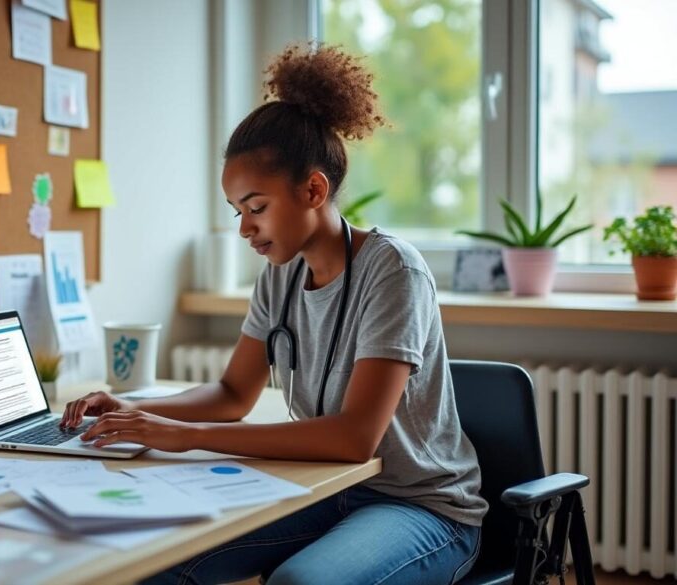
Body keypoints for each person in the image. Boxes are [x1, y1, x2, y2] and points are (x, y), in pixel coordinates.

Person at [60, 42, 487, 585]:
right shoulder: (280, 275)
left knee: (299, 584)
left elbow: (354, 439)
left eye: (256, 208)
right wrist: (139, 410)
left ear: (314, 189)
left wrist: (182, 435)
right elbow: (233, 395)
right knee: (153, 560)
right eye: (237, 211)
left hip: (419, 507)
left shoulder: (394, 271)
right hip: (323, 487)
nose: (244, 228)